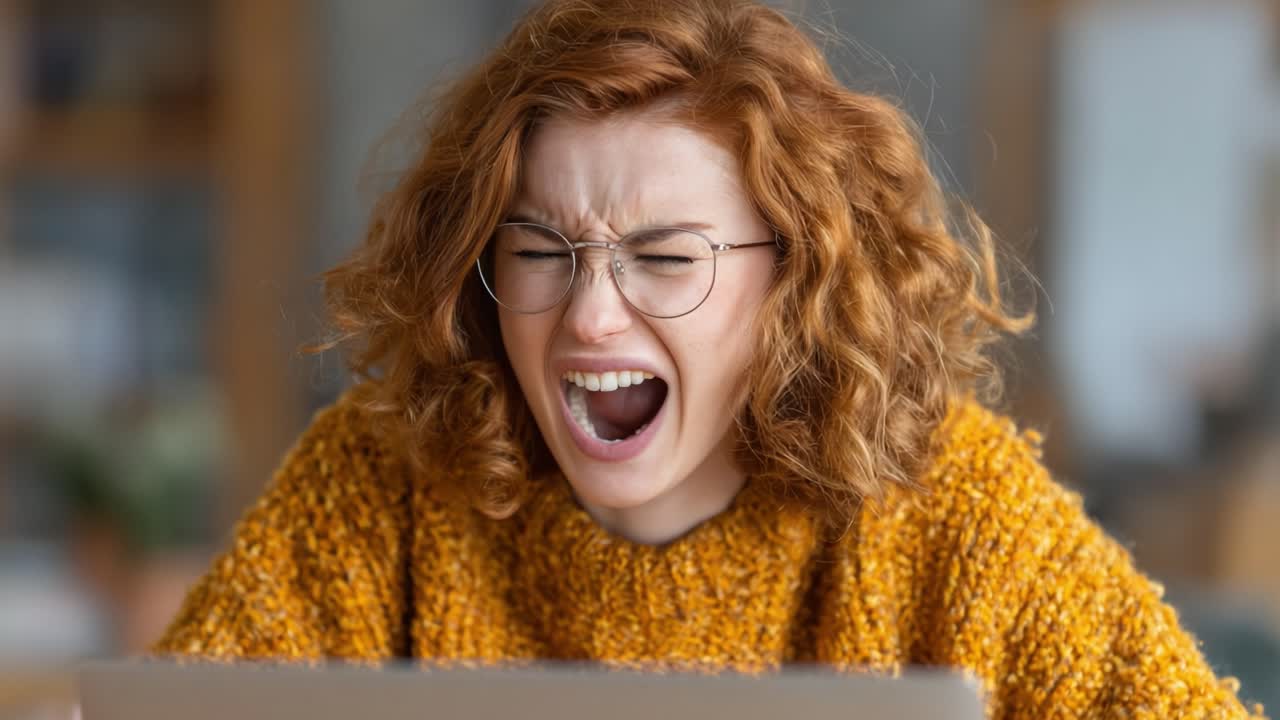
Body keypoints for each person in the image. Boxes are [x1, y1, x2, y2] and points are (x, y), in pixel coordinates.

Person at [154, 0, 1266, 716]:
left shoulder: (953, 510)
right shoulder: (380, 478)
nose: (588, 316)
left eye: (662, 256)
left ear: (792, 276)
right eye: (540, 249)